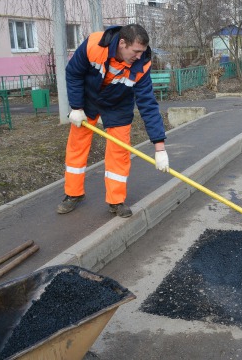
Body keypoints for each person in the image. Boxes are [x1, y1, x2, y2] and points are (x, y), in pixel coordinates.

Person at [57, 24, 169, 218]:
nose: (139, 56)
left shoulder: (141, 64)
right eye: (135, 51)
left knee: (119, 151)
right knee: (77, 146)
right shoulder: (94, 44)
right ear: (122, 43)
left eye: (142, 52)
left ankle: (116, 201)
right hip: (89, 99)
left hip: (118, 104)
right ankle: (73, 194)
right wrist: (76, 107)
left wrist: (160, 147)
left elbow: (148, 104)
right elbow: (74, 73)